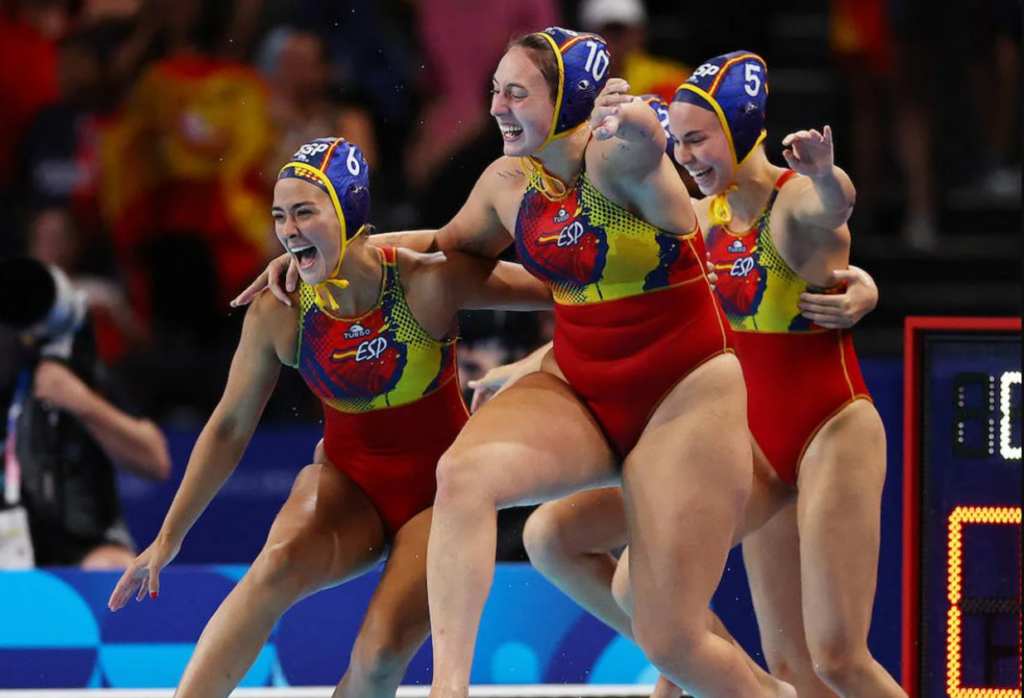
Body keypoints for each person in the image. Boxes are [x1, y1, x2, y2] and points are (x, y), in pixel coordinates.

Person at [238, 28, 773, 698]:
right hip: (585, 387)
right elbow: (438, 246)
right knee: (464, 471)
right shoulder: (504, 183)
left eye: (516, 92)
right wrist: (317, 253)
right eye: (495, 90)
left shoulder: (618, 158)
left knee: (670, 641)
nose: (495, 106)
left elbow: (646, 138)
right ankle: (450, 689)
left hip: (684, 397)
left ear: (569, 100)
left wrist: (629, 112)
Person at [518, 52, 903, 698]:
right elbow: (611, 301)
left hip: (832, 429)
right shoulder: (697, 219)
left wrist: (830, 177)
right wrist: (523, 367)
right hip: (753, 445)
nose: (686, 157)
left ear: (744, 130)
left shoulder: (793, 201)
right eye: (679, 142)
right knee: (647, 592)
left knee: (837, 658)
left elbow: (833, 209)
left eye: (698, 140)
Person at [108, 138, 551, 698]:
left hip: (442, 497)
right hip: (348, 489)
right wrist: (169, 537)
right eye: (278, 217)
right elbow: (229, 425)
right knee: (275, 566)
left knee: (381, 654)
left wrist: (535, 361)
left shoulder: (427, 283)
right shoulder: (282, 310)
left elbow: (564, 291)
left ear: (349, 213)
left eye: (303, 212)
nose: (288, 231)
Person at [0, 257, 170, 569]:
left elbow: (156, 460)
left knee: (110, 566)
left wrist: (81, 402)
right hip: (7, 549)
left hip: (81, 546)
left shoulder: (70, 374)